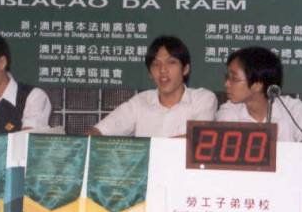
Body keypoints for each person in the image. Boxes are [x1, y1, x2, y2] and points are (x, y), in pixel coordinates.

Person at [87, 35, 217, 137]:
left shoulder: (203, 99)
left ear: (185, 69)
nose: (163, 70)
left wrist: (150, 150)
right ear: (150, 73)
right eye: (156, 64)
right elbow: (99, 131)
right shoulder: (139, 102)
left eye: (171, 62)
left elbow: (198, 138)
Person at [216, 46, 302, 143]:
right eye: (227, 77)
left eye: (234, 79)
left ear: (257, 85)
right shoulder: (228, 111)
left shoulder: (295, 110)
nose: (226, 84)